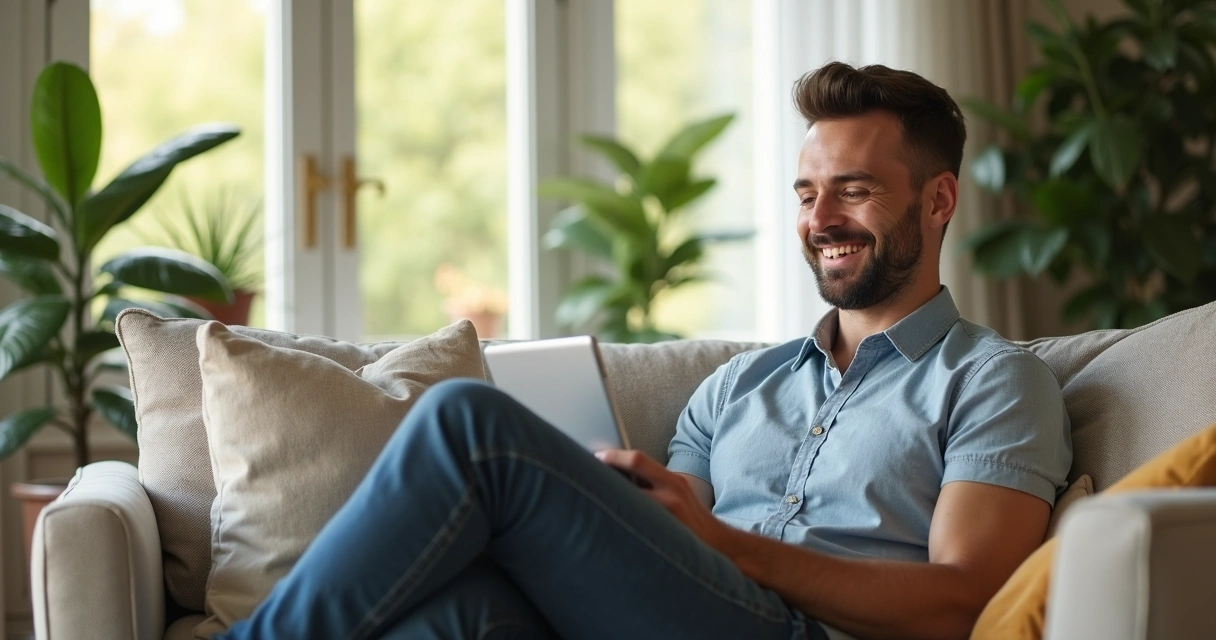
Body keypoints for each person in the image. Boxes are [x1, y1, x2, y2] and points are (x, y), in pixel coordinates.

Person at [218, 62, 1071, 640]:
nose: (821, 221)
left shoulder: (995, 381)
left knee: (467, 422)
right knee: (459, 612)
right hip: (693, 609)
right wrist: (618, 497)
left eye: (856, 190)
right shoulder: (738, 385)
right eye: (808, 194)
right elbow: (670, 544)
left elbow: (966, 599)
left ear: (938, 199)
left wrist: (734, 548)